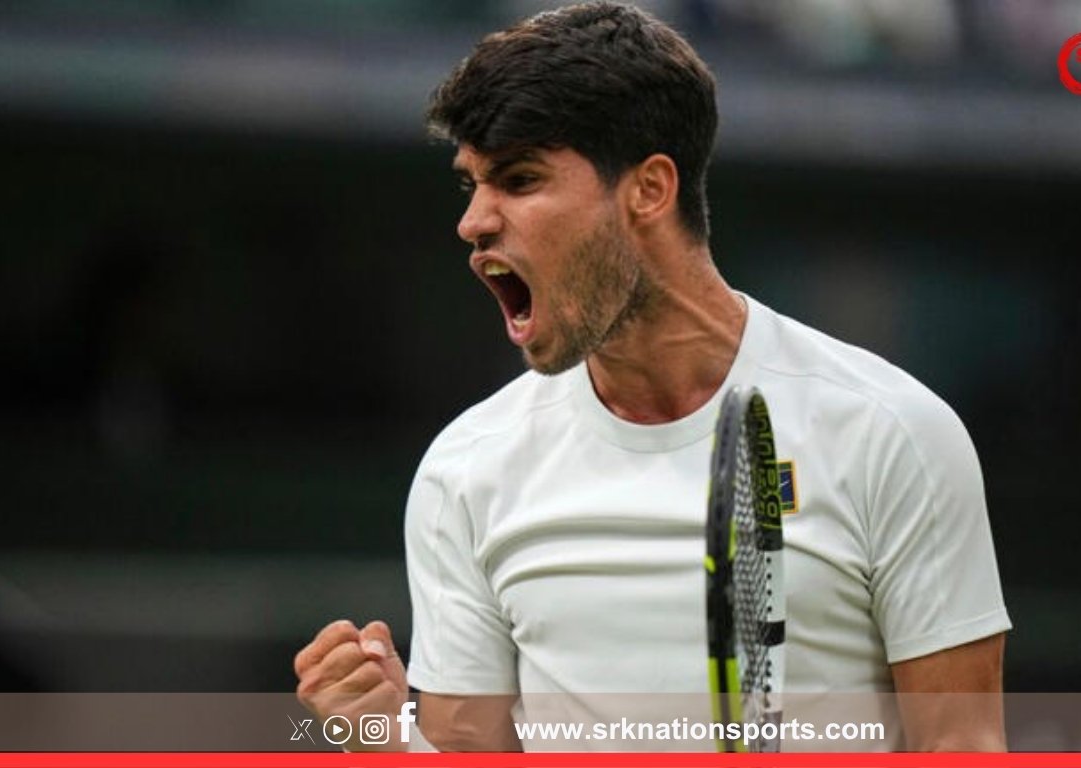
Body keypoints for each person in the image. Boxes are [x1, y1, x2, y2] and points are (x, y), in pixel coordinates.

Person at [294, 1, 1010, 752]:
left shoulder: (894, 433)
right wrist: (382, 738)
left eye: (520, 178)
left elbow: (960, 748)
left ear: (649, 189)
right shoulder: (465, 470)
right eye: (471, 183)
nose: (474, 221)